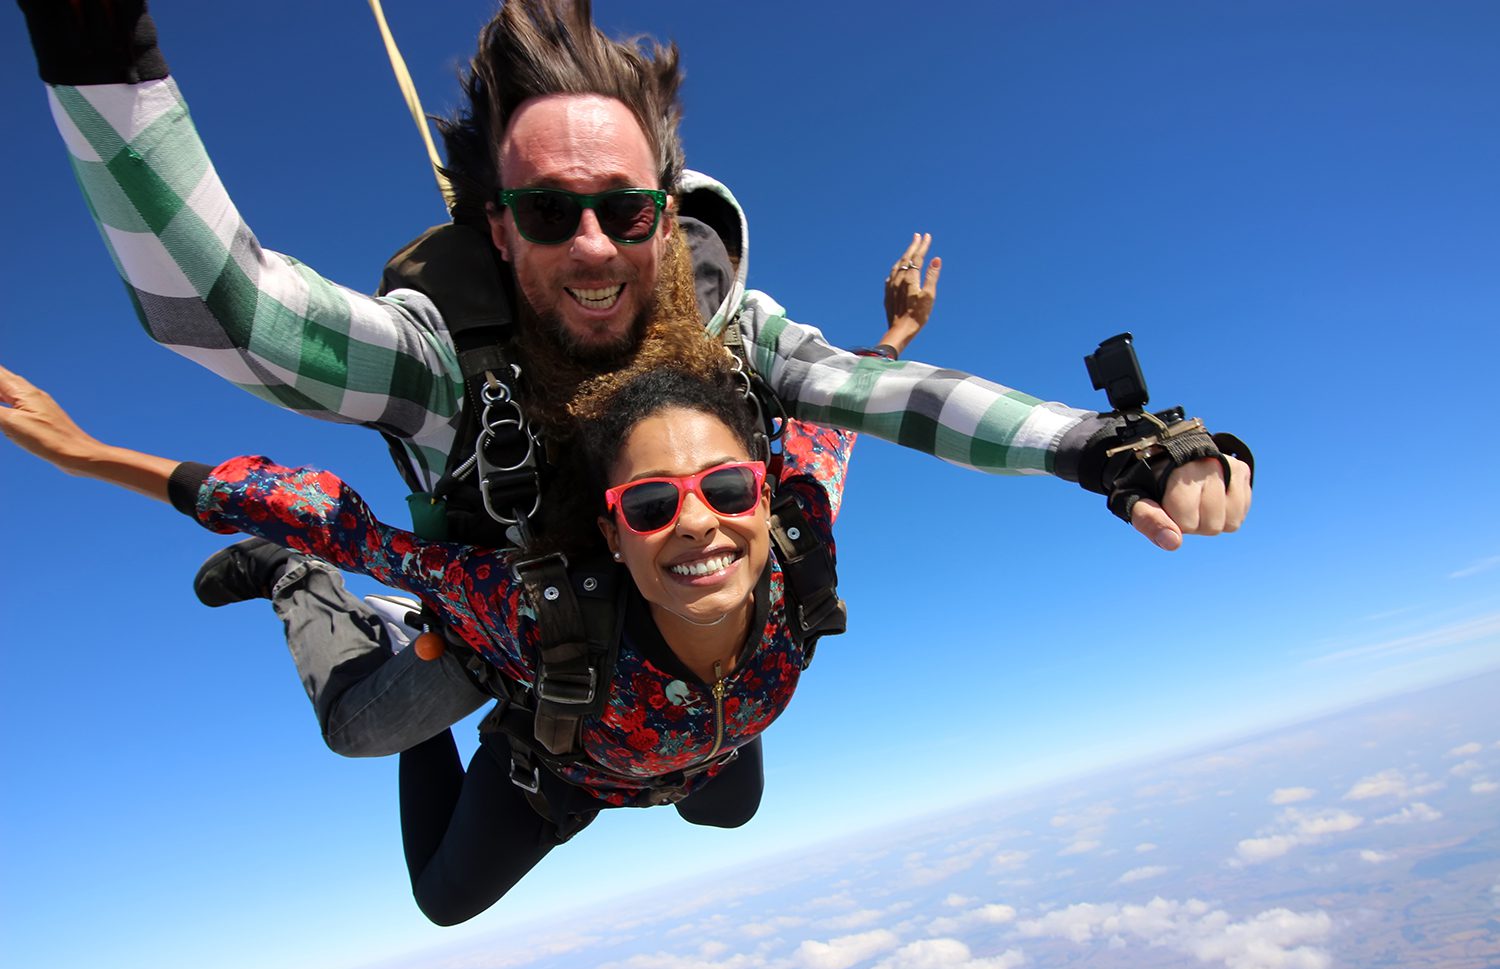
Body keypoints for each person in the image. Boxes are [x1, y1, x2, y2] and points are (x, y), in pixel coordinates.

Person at [15, 0, 1252, 757]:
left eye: (622, 208)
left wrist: (1103, 446)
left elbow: (876, 407)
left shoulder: (725, 333)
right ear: (498, 231)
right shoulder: (450, 363)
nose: (596, 246)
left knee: (727, 784)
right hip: (499, 626)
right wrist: (94, 46)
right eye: (551, 213)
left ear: (668, 212)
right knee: (363, 728)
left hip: (662, 654)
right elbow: (236, 319)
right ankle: (305, 600)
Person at [0, 339, 855, 925]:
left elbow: (838, 421)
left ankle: (629, 745)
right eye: (653, 504)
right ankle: (308, 591)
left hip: (691, 752)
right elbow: (348, 532)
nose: (700, 524)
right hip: (556, 760)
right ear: (611, 534)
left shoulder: (800, 554)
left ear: (766, 494)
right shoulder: (541, 609)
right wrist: (88, 454)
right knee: (409, 832)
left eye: (730, 490)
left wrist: (890, 338)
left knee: (731, 810)